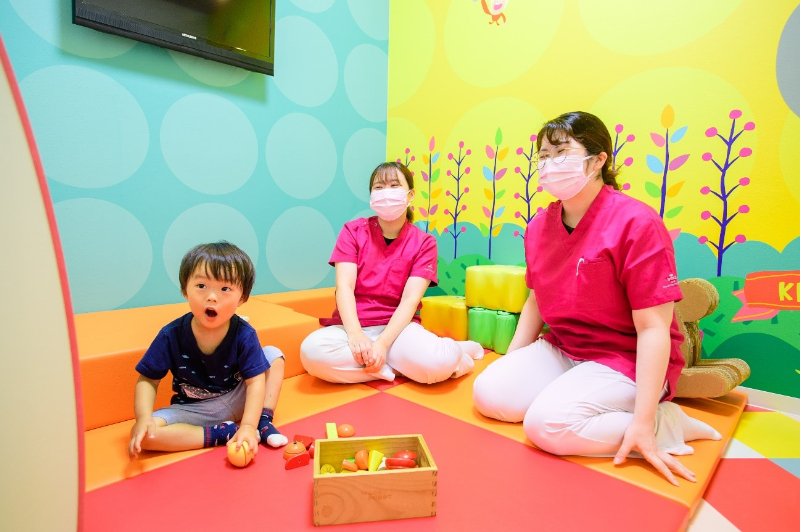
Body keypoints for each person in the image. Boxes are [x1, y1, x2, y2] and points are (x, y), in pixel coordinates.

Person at [472, 112, 721, 486]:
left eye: (561, 152)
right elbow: (536, 300)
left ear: (598, 159)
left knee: (545, 426)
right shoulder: (539, 227)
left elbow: (653, 328)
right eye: (543, 156)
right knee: (489, 394)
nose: (548, 164)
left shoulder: (637, 223)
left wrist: (643, 420)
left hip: (625, 357)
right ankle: (586, 403)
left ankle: (664, 423)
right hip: (565, 348)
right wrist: (513, 363)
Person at [300, 162, 484, 384]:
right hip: (351, 327)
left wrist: (382, 344)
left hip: (399, 331)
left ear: (410, 195)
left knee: (438, 364)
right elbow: (344, 287)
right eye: (379, 187)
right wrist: (356, 335)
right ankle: (395, 368)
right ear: (371, 196)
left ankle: (457, 354)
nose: (386, 192)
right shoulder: (353, 231)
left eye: (394, 185)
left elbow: (410, 301)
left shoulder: (424, 243)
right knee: (311, 353)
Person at [128, 242, 289, 460]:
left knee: (273, 355)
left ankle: (262, 421)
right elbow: (148, 380)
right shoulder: (170, 335)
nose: (212, 296)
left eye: (225, 289)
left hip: (238, 397)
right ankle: (221, 433)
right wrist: (143, 418)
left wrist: (248, 426)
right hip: (195, 410)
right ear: (185, 290)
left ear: (242, 298)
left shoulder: (244, 334)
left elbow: (255, 383)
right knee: (144, 436)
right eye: (201, 286)